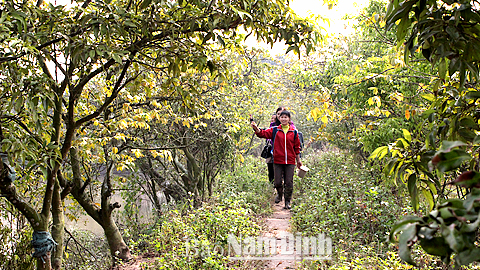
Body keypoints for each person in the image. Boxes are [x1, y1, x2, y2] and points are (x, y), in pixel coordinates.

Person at [252, 110, 302, 210]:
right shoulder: (275, 130)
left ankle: (287, 202)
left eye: (286, 117)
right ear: (279, 118)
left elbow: (297, 147)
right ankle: (280, 195)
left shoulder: (294, 132)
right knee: (277, 182)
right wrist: (256, 129)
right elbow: (263, 134)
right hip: (278, 160)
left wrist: (298, 161)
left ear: (289, 119)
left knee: (289, 182)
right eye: (282, 117)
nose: (283, 119)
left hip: (290, 161)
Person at [266, 107, 296, 184]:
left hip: (288, 153)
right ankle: (275, 185)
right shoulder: (274, 126)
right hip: (274, 150)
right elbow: (267, 134)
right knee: (273, 168)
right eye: (279, 115)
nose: (282, 117)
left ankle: (285, 190)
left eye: (284, 116)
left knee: (287, 174)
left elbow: (296, 141)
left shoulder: (292, 128)